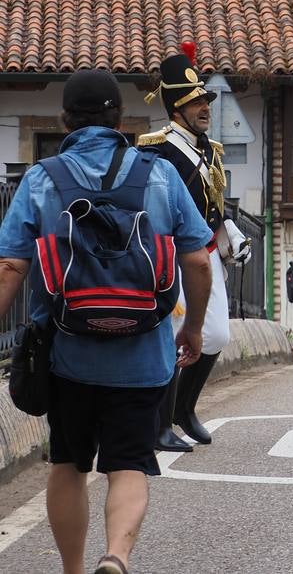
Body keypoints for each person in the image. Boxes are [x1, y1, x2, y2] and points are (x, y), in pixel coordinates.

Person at [0, 69, 213, 574]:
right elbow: (200, 262)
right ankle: (116, 556)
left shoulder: (41, 178)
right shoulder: (158, 173)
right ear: (120, 117)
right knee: (129, 465)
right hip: (143, 358)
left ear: (66, 119)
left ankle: (74, 570)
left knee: (68, 464)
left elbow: (10, 267)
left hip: (66, 357)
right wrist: (195, 327)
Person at [138, 43, 241, 451]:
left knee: (215, 335)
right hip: (169, 256)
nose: (205, 108)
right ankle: (159, 424)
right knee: (172, 336)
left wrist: (230, 229)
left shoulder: (209, 151)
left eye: (205, 101)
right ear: (175, 108)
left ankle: (183, 410)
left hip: (205, 253)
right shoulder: (155, 148)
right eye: (195, 102)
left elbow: (212, 205)